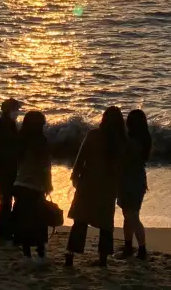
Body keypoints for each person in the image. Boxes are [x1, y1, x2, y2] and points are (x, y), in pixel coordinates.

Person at [65, 106, 126, 267]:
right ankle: (103, 259)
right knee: (106, 222)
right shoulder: (121, 141)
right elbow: (122, 166)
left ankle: (70, 255)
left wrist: (75, 175)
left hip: (89, 181)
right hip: (108, 184)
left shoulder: (94, 134)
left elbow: (81, 156)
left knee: (80, 219)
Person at [12, 110, 53, 264]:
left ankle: (26, 254)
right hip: (35, 186)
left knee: (24, 220)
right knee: (39, 221)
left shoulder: (21, 139)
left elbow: (16, 163)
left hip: (20, 184)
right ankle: (41, 253)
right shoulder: (42, 141)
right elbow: (45, 166)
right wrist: (48, 185)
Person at [117, 109, 152, 260]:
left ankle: (142, 248)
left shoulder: (131, 142)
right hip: (134, 180)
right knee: (129, 216)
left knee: (131, 216)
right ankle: (128, 246)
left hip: (131, 181)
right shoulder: (144, 139)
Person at [0, 98, 22, 244]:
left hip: (3, 166)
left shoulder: (6, 123)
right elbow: (4, 148)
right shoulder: (5, 125)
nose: (18, 112)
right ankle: (5, 233)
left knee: (7, 198)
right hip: (4, 167)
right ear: (10, 110)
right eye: (16, 109)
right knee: (6, 199)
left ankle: (7, 231)